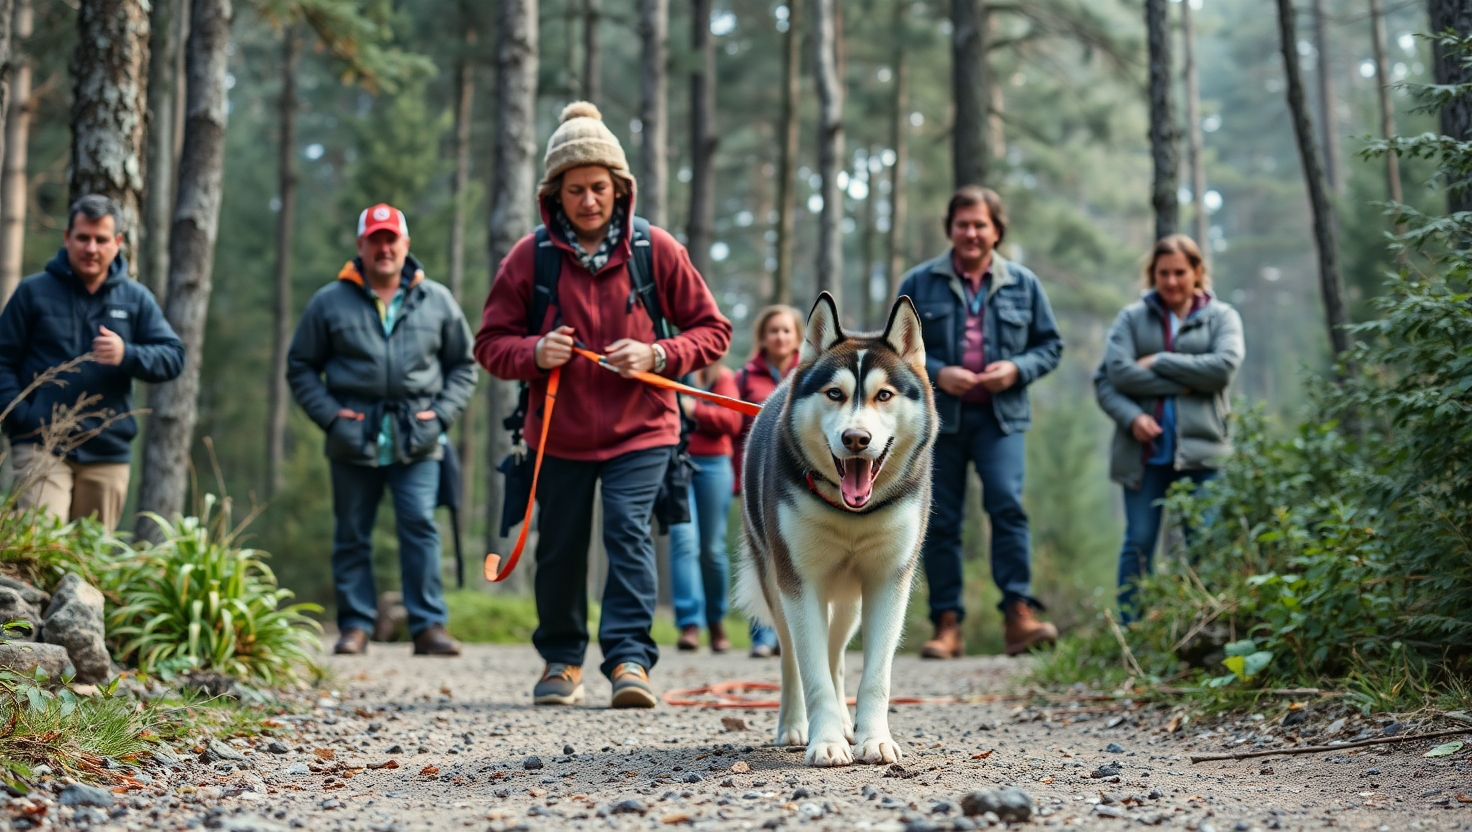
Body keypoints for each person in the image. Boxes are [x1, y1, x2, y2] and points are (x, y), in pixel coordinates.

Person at [475, 102, 731, 709]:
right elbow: (489, 344)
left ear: (620, 189)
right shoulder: (529, 258)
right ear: (553, 196)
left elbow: (712, 331)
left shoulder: (656, 250)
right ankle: (562, 661)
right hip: (555, 435)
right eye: (575, 190)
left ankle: (629, 661)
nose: (588, 200)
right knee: (560, 546)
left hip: (643, 431)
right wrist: (535, 352)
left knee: (627, 533)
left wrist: (658, 355)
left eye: (599, 187)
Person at [287, 203, 477, 658]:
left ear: (406, 245)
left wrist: (441, 415)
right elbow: (301, 367)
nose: (385, 248)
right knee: (352, 531)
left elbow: (464, 366)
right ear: (361, 247)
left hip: (419, 436)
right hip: (354, 435)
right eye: (376, 240)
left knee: (420, 526)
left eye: (392, 239)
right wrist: (332, 417)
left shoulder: (437, 300)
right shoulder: (329, 301)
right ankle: (355, 625)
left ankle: (428, 626)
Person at [897, 185, 1064, 659]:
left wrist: (1016, 369)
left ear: (997, 230)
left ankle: (1018, 616)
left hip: (1001, 417)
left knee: (1007, 507)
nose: (971, 233)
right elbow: (894, 351)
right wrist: (937, 372)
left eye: (980, 225)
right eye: (962, 224)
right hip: (937, 420)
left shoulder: (1024, 284)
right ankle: (946, 625)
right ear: (949, 228)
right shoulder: (919, 282)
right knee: (941, 519)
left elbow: (1050, 346)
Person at [0, 195, 185, 531]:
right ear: (67, 237)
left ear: (117, 243)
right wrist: (20, 417)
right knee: (38, 546)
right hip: (41, 445)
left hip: (107, 454)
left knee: (88, 563)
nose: (91, 248)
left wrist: (127, 354)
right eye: (83, 237)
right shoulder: (33, 292)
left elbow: (173, 357)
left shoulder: (135, 298)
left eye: (101, 240)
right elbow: (1, 360)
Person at [1093, 235, 1243, 623]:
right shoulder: (1131, 318)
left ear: (1197, 272)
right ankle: (1131, 630)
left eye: (1180, 272)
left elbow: (1223, 368)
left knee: (1203, 544)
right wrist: (1133, 416)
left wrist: (1158, 360)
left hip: (1203, 454)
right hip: (1143, 455)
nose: (1172, 281)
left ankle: (1204, 625)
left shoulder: (1222, 317)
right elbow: (1112, 377)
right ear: (1152, 275)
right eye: (1164, 273)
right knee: (1139, 543)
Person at [733, 304, 803, 658]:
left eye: (786, 330)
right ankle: (763, 635)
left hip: (798, 480)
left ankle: (794, 637)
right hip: (757, 479)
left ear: (798, 337)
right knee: (762, 551)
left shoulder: (813, 374)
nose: (780, 337)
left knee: (796, 556)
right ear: (763, 336)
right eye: (773, 330)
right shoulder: (745, 377)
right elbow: (732, 427)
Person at [669, 363, 743, 654]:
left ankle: (715, 621)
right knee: (683, 541)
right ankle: (689, 623)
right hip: (677, 463)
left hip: (714, 467)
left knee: (711, 548)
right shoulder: (675, 374)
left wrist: (693, 410)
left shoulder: (722, 377)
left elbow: (732, 421)